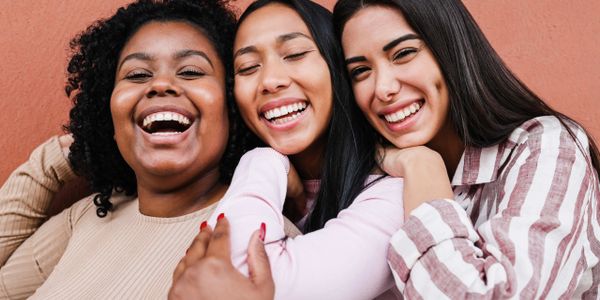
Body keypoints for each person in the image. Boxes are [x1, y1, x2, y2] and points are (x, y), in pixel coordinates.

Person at [333, 0, 600, 298]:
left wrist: (423, 168)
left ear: (451, 47)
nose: (382, 88)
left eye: (404, 53)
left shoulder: (547, 147)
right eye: (360, 71)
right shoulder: (373, 181)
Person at [0, 0, 260, 298]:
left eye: (190, 71)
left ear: (232, 102)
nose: (161, 84)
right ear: (106, 107)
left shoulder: (258, 237)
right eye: (137, 75)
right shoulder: (89, 216)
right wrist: (61, 156)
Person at [170, 0, 405, 299]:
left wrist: (263, 160)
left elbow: (238, 278)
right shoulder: (238, 188)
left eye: (294, 54)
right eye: (248, 67)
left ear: (337, 66)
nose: (270, 81)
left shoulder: (395, 196)